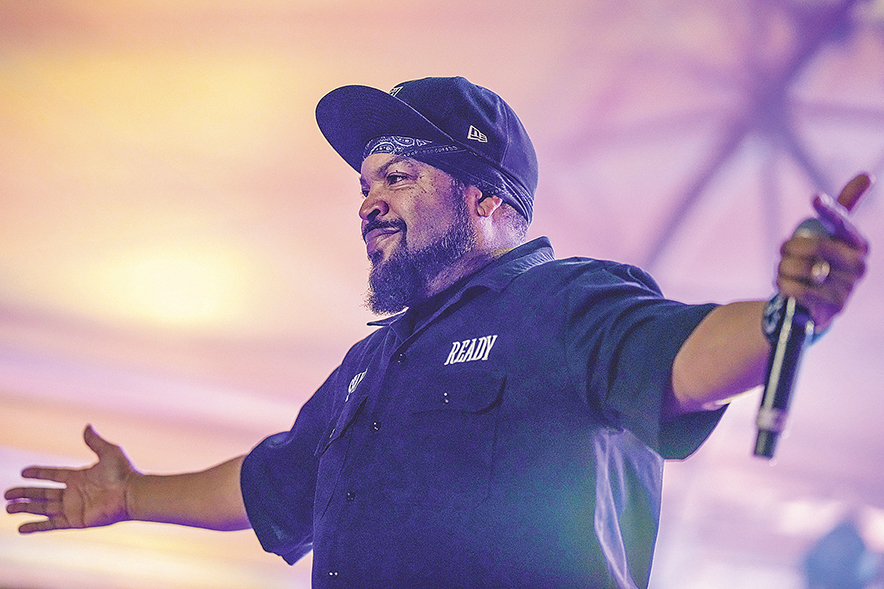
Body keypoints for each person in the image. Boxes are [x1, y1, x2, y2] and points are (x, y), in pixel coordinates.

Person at [4, 76, 870, 588]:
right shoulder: (367, 366)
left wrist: (784, 314)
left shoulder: (564, 304)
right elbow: (270, 481)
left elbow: (680, 358)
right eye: (364, 183)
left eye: (400, 174)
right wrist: (133, 494)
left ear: (486, 198)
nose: (369, 198)